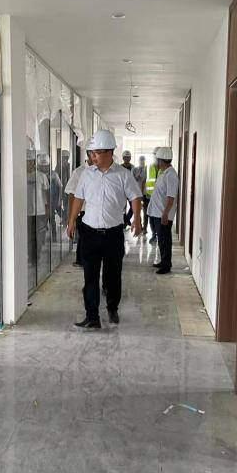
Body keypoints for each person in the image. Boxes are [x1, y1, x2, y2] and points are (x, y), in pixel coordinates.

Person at [67, 130, 143, 328]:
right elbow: (78, 198)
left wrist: (136, 219)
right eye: (92, 153)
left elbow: (135, 196)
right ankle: (92, 316)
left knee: (113, 275)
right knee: (90, 277)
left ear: (109, 152)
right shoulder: (86, 175)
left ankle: (112, 308)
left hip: (113, 234)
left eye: (97, 153)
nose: (93, 157)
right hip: (90, 233)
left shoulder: (123, 175)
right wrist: (71, 221)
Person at [147, 146, 178, 275]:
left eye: (157, 159)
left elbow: (171, 196)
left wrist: (165, 213)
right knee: (162, 239)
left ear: (162, 160)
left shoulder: (170, 175)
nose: (156, 162)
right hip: (158, 212)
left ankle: (166, 265)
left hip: (162, 214)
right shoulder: (163, 173)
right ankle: (163, 261)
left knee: (165, 240)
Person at [64, 139, 95, 267]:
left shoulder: (101, 170)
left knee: (92, 237)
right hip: (82, 211)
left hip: (96, 211)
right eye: (95, 152)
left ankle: (88, 259)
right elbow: (71, 194)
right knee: (84, 236)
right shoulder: (79, 172)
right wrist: (70, 217)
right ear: (89, 154)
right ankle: (81, 260)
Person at [131, 155, 148, 234]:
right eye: (141, 161)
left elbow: (147, 180)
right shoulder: (134, 169)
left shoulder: (147, 169)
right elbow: (131, 180)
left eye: (143, 161)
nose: (142, 162)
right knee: (137, 211)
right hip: (136, 195)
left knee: (145, 212)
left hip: (145, 194)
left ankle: (145, 228)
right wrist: (137, 176)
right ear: (138, 161)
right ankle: (139, 226)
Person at [145, 156, 159, 243]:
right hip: (150, 196)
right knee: (150, 216)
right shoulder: (150, 166)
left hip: (159, 197)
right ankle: (154, 234)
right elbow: (148, 180)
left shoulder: (163, 169)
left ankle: (157, 234)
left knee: (157, 217)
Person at [121, 150, 134, 226]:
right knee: (122, 208)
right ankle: (124, 223)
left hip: (130, 191)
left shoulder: (133, 168)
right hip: (121, 191)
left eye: (128, 157)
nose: (127, 159)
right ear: (123, 158)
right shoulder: (119, 167)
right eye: (125, 157)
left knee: (133, 207)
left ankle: (126, 220)